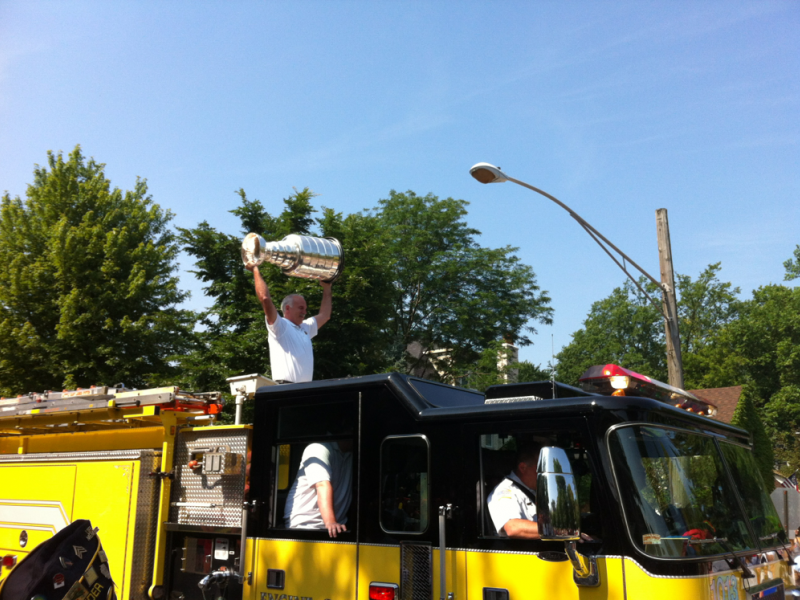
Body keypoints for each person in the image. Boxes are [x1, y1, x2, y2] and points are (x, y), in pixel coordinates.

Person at [246, 263, 332, 383]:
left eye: (305, 309)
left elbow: (325, 315)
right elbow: (265, 298)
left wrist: (327, 287)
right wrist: (255, 269)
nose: (304, 312)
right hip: (284, 389)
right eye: (301, 308)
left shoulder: (305, 327)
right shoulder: (280, 326)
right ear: (287, 308)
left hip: (304, 391)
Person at [284, 439, 353, 538]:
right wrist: (331, 522)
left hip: (336, 526)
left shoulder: (351, 455)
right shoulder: (318, 448)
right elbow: (321, 485)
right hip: (306, 524)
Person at [487, 444, 541, 539]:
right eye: (540, 469)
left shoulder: (532, 490)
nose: (543, 474)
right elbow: (513, 527)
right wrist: (558, 530)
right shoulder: (505, 491)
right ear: (523, 468)